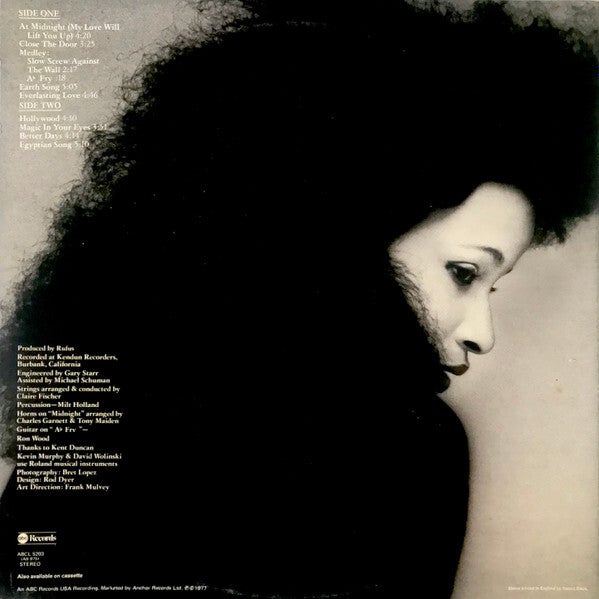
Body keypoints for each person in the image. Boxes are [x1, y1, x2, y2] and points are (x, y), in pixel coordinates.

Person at [0, 1, 597, 597]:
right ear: (332, 237)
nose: (483, 335)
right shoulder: (91, 422)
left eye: (492, 286)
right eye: (464, 273)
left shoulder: (415, 455)